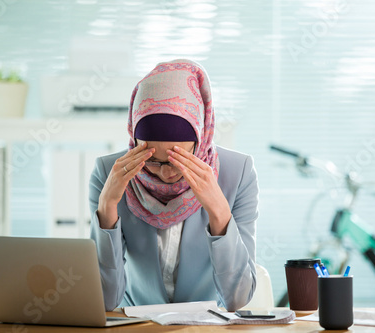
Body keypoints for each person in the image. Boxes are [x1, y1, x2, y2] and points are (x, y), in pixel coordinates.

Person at [89, 59, 259, 311]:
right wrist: (107, 207)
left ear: (200, 139)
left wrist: (219, 212)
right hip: (136, 327)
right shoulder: (110, 174)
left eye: (178, 159)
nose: (167, 173)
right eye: (153, 161)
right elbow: (104, 300)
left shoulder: (238, 173)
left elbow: (237, 298)